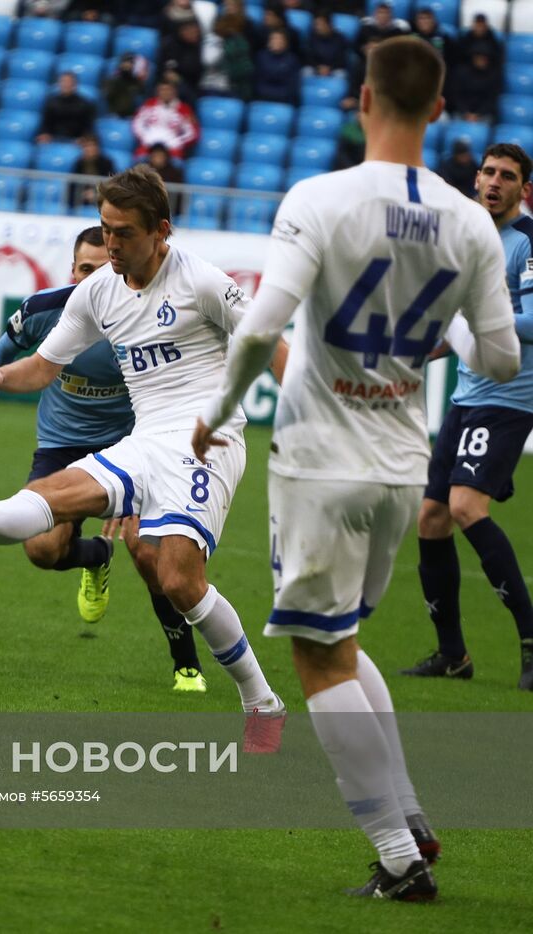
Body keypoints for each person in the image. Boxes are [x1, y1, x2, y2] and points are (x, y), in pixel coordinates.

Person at [191, 36, 519, 898]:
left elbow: (261, 328)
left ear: (364, 100)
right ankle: (407, 814)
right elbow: (501, 356)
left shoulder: (321, 198)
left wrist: (217, 412)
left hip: (320, 457)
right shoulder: (472, 220)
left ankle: (399, 861)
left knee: (317, 657)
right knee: (341, 637)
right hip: (402, 462)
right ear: (440, 110)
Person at [0, 165, 290, 733]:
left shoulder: (204, 282)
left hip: (207, 440)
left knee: (179, 580)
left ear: (162, 230)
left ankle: (260, 702)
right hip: (145, 439)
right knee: (45, 496)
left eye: (124, 233)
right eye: (105, 229)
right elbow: (40, 368)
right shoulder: (97, 291)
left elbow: (271, 346)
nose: (111, 243)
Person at [0, 226, 208, 690]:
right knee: (41, 549)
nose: (93, 277)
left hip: (133, 443)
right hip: (62, 447)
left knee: (149, 553)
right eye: (85, 269)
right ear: (72, 271)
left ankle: (186, 663)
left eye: (104, 268)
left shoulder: (144, 317)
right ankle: (96, 556)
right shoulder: (45, 311)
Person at [404, 143, 533, 691]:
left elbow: (527, 321)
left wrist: (472, 320)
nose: (495, 182)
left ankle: (530, 639)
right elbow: (455, 327)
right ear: (476, 179)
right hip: (464, 398)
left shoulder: (526, 243)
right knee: (430, 519)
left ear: (523, 188)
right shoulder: (469, 242)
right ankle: (453, 654)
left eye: (508, 176)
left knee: (463, 505)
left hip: (508, 398)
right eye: (488, 172)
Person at [131, 78, 198, 158]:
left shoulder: (184, 109)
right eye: (162, 90)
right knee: (139, 160)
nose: (165, 92)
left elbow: (193, 133)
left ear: (175, 91)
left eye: (168, 90)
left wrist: (178, 142)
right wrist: (145, 137)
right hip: (148, 146)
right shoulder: (149, 104)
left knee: (176, 164)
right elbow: (137, 122)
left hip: (172, 150)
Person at [36, 72, 95, 143]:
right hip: (53, 140)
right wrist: (45, 134)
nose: (66, 84)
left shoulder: (84, 104)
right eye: (63, 81)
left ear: (75, 84)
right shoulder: (51, 102)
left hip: (76, 141)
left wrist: (83, 138)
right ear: (59, 84)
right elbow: (45, 123)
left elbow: (88, 126)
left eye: (69, 82)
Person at [446, 52, 501, 123]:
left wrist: (479, 114)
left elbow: (492, 99)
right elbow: (456, 95)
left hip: (483, 115)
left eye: (484, 58)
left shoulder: (493, 75)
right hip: (461, 112)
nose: (482, 61)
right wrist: (465, 112)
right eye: (479, 58)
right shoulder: (461, 72)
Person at [253, 30, 302, 105]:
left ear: (286, 43)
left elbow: (293, 85)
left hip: (283, 99)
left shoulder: (292, 59)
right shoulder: (261, 56)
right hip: (263, 97)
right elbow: (257, 80)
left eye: (279, 39)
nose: (276, 41)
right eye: (273, 39)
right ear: (268, 42)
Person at [70, 135, 115, 207]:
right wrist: (82, 194)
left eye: (91, 146)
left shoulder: (107, 163)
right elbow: (72, 187)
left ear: (97, 148)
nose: (88, 149)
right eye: (86, 146)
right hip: (81, 202)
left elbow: (113, 185)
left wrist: (96, 194)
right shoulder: (79, 163)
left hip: (104, 201)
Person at [306, 12, 351, 77]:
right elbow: (308, 56)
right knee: (306, 71)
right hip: (317, 68)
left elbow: (342, 58)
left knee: (341, 74)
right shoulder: (311, 38)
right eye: (316, 25)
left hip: (334, 69)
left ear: (329, 24)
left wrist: (330, 68)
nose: (317, 27)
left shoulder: (340, 39)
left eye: (320, 24)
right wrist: (318, 67)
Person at [103, 54, 146, 118]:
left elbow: (142, 94)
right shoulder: (112, 81)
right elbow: (107, 97)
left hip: (130, 116)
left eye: (130, 63)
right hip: (113, 114)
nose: (127, 65)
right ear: (120, 64)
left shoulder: (136, 82)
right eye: (125, 62)